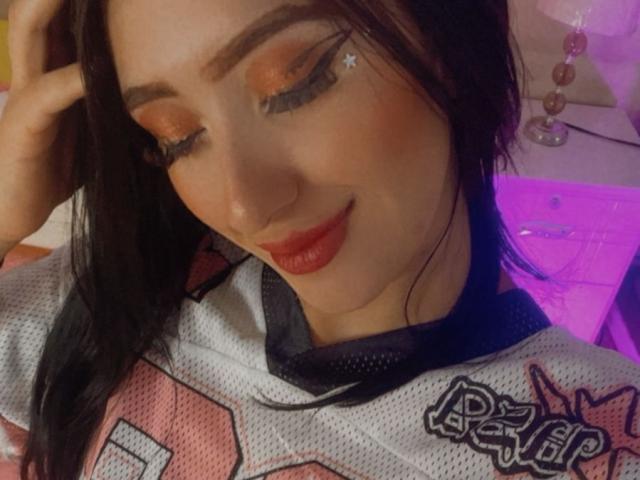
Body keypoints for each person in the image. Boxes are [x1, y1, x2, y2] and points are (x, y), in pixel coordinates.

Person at [0, 0, 639, 478]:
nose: (246, 205)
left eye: (296, 84)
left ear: (448, 37)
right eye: (177, 137)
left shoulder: (604, 441)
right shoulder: (130, 291)